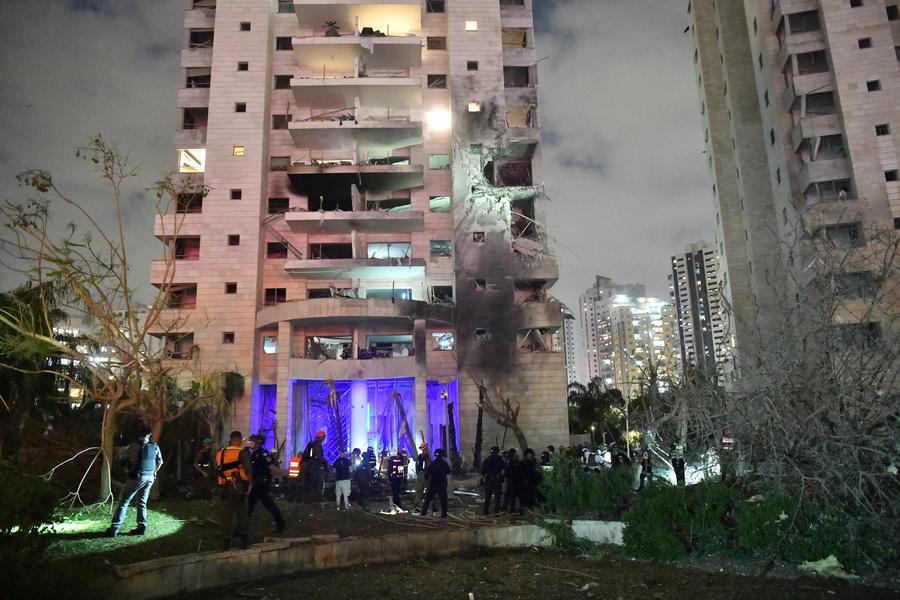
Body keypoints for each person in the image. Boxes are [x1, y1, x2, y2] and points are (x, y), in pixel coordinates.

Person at [106, 425, 163, 537]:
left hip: (137, 477)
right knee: (142, 502)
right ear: (149, 435)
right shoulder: (154, 446)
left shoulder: (134, 446)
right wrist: (154, 472)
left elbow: (122, 458)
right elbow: (160, 462)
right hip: (150, 478)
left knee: (124, 502)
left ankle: (114, 529)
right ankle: (141, 527)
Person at [216, 430, 253, 550]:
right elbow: (247, 470)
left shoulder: (220, 452)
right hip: (237, 487)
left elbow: (216, 469)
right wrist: (250, 484)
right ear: (239, 439)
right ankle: (244, 541)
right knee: (242, 513)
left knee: (226, 515)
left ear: (230, 440)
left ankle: (226, 543)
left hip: (223, 488)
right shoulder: (242, 452)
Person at [248, 435, 286, 533]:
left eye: (252, 441)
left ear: (258, 443)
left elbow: (270, 465)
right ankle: (280, 524)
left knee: (263, 504)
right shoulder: (254, 453)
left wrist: (280, 473)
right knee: (253, 505)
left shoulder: (263, 453)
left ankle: (280, 524)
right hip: (257, 482)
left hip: (261, 483)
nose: (250, 443)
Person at [420, 448, 451, 518]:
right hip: (442, 484)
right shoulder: (444, 464)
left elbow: (427, 475)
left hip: (433, 484)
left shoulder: (432, 464)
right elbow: (449, 471)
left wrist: (427, 479)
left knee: (428, 499)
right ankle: (444, 514)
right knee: (443, 500)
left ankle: (423, 513)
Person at [302, 431, 326, 503]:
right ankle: (315, 498)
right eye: (323, 438)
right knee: (316, 483)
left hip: (308, 466)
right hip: (314, 467)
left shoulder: (311, 444)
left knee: (308, 483)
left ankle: (307, 499)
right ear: (322, 438)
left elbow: (305, 455)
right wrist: (326, 463)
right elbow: (319, 457)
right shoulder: (317, 446)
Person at [481, 446, 505, 515]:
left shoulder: (487, 460)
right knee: (497, 497)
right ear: (497, 452)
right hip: (497, 480)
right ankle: (496, 512)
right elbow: (504, 468)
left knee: (488, 497)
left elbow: (483, 472)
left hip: (488, 480)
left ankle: (485, 511)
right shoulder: (499, 459)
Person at [413, 442, 432, 509]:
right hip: (426, 475)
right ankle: (428, 505)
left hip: (421, 475)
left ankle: (416, 504)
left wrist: (419, 473)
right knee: (428, 490)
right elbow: (428, 466)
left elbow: (418, 466)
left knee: (419, 490)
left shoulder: (420, 456)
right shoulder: (427, 456)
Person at [501, 448, 519, 513]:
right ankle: (511, 508)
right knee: (511, 495)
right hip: (511, 480)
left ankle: (505, 507)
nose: (516, 455)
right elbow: (508, 471)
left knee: (508, 494)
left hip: (510, 480)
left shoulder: (509, 461)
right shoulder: (512, 462)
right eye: (515, 454)